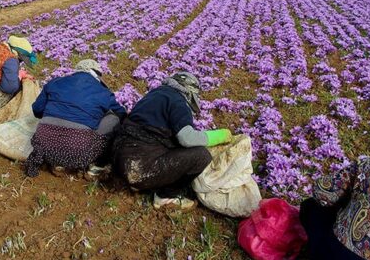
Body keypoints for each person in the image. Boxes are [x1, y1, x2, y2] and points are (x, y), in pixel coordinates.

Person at [113, 72, 233, 210]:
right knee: (201, 156)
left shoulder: (154, 94)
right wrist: (219, 136)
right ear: (189, 92)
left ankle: (137, 181)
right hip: (139, 167)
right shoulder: (178, 102)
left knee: (168, 143)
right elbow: (187, 138)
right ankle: (165, 197)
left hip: (118, 158)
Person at [25, 59, 127, 179]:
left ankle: (57, 163)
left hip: (44, 147)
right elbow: (121, 113)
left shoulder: (55, 82)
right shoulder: (103, 92)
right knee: (113, 119)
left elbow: (37, 109)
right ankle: (97, 165)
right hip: (79, 154)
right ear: (96, 74)